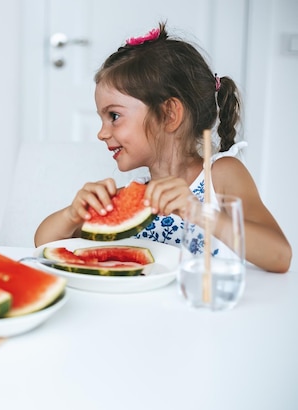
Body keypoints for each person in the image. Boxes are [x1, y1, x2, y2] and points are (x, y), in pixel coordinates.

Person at [34, 23, 291, 273]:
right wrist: (72, 215)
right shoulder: (134, 195)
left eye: (114, 116)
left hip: (207, 311)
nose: (101, 133)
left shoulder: (221, 175)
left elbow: (280, 256)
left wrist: (200, 213)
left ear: (169, 114)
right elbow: (45, 244)